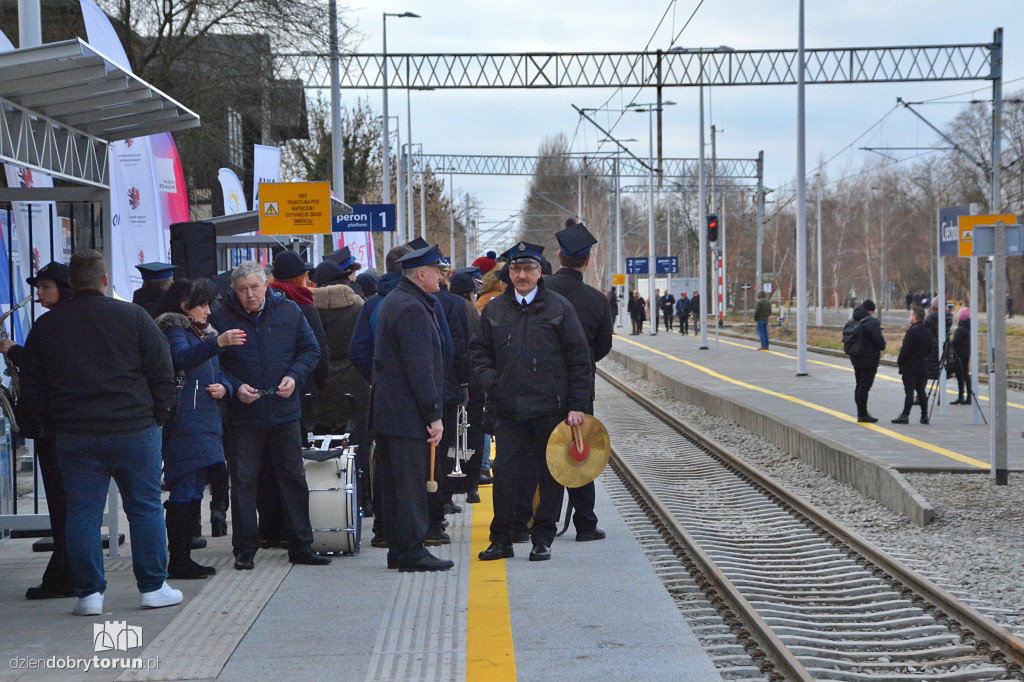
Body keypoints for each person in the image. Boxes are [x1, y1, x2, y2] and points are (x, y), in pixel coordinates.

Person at [19, 250, 181, 615]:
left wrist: (46, 424)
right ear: (105, 281)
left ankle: (90, 594)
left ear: (71, 284)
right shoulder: (134, 316)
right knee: (144, 507)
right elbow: (162, 369)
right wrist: (158, 414)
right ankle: (153, 587)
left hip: (75, 433)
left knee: (82, 513)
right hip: (134, 427)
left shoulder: (47, 327)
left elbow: (33, 384)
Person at [472, 241, 591, 563]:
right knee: (505, 474)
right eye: (515, 269)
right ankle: (502, 539)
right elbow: (479, 352)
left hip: (550, 409)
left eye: (528, 269)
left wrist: (577, 406)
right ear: (507, 274)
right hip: (508, 408)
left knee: (550, 475)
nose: (522, 275)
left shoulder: (559, 308)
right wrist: (492, 383)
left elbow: (579, 360)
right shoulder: (495, 308)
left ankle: (542, 538)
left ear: (540, 272)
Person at [208, 260, 329, 570]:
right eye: (243, 289)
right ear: (234, 291)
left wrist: (294, 376)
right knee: (244, 482)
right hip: (243, 415)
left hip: (284, 411)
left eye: (255, 287)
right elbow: (213, 363)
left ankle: (301, 545)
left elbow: (311, 350)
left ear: (266, 285)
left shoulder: (288, 311)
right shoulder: (221, 317)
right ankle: (245, 550)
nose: (250, 295)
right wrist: (235, 387)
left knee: (293, 478)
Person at [371, 245, 454, 572]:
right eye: (437, 271)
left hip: (393, 412)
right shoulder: (412, 309)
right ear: (421, 274)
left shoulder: (399, 300)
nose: (441, 276)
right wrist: (433, 414)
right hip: (408, 415)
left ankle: (400, 550)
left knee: (395, 485)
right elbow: (420, 368)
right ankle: (413, 551)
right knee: (410, 485)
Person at [155, 279, 245, 579]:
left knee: (194, 488)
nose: (208, 312)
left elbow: (217, 374)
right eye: (203, 305)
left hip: (205, 422)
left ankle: (185, 556)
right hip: (186, 424)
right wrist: (216, 343)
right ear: (184, 306)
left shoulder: (199, 333)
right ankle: (178, 558)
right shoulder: (174, 330)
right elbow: (181, 359)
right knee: (184, 487)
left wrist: (228, 389)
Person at [2, 262, 75, 600]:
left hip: (55, 428)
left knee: (63, 504)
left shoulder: (51, 323)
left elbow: (40, 367)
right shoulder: (69, 320)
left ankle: (65, 573)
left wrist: (13, 351)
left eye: (46, 287)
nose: (40, 293)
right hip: (70, 425)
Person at [544, 222, 613, 542]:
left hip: (541, 386)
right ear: (587, 261)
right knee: (579, 451)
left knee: (540, 449)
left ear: (559, 256)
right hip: (580, 387)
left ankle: (538, 520)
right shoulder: (597, 300)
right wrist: (580, 366)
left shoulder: (542, 292)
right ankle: (585, 522)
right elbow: (603, 348)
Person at [845, 299, 886, 423]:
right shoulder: (871, 322)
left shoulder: (853, 320)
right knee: (865, 386)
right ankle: (862, 414)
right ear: (871, 311)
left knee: (859, 384)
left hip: (856, 357)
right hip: (869, 359)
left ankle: (861, 411)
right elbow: (880, 342)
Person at [892, 307, 931, 425]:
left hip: (910, 366)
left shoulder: (912, 331)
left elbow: (906, 350)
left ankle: (905, 415)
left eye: (911, 315)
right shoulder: (928, 331)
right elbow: (929, 350)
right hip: (922, 365)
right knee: (921, 391)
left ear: (914, 317)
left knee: (909, 391)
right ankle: (924, 416)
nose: (910, 317)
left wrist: (900, 362)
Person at [950, 307, 973, 405]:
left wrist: (949, 342)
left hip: (959, 355)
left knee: (961, 376)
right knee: (964, 375)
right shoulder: (968, 327)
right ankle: (967, 397)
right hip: (966, 354)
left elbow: (955, 342)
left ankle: (961, 396)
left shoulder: (961, 329)